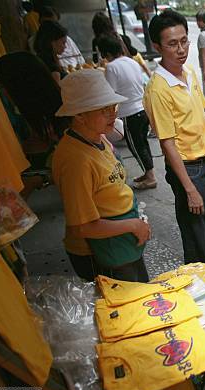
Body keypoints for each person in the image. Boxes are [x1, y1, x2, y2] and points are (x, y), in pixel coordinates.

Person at [143, 10, 205, 266]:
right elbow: (167, 143)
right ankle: (201, 272)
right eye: (172, 44)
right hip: (187, 168)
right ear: (157, 46)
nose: (181, 49)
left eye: (184, 41)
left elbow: (200, 119)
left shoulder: (190, 72)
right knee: (194, 225)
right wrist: (189, 188)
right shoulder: (158, 89)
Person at [52, 69, 151, 282]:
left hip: (121, 239)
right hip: (100, 252)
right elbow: (83, 226)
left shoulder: (98, 138)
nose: (113, 114)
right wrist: (134, 225)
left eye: (113, 107)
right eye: (104, 110)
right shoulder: (75, 160)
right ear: (79, 114)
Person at [98, 35, 156, 190]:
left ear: (107, 53)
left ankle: (150, 177)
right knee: (142, 143)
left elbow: (111, 92)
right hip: (142, 110)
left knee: (136, 146)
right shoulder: (132, 61)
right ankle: (148, 172)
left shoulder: (111, 67)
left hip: (130, 113)